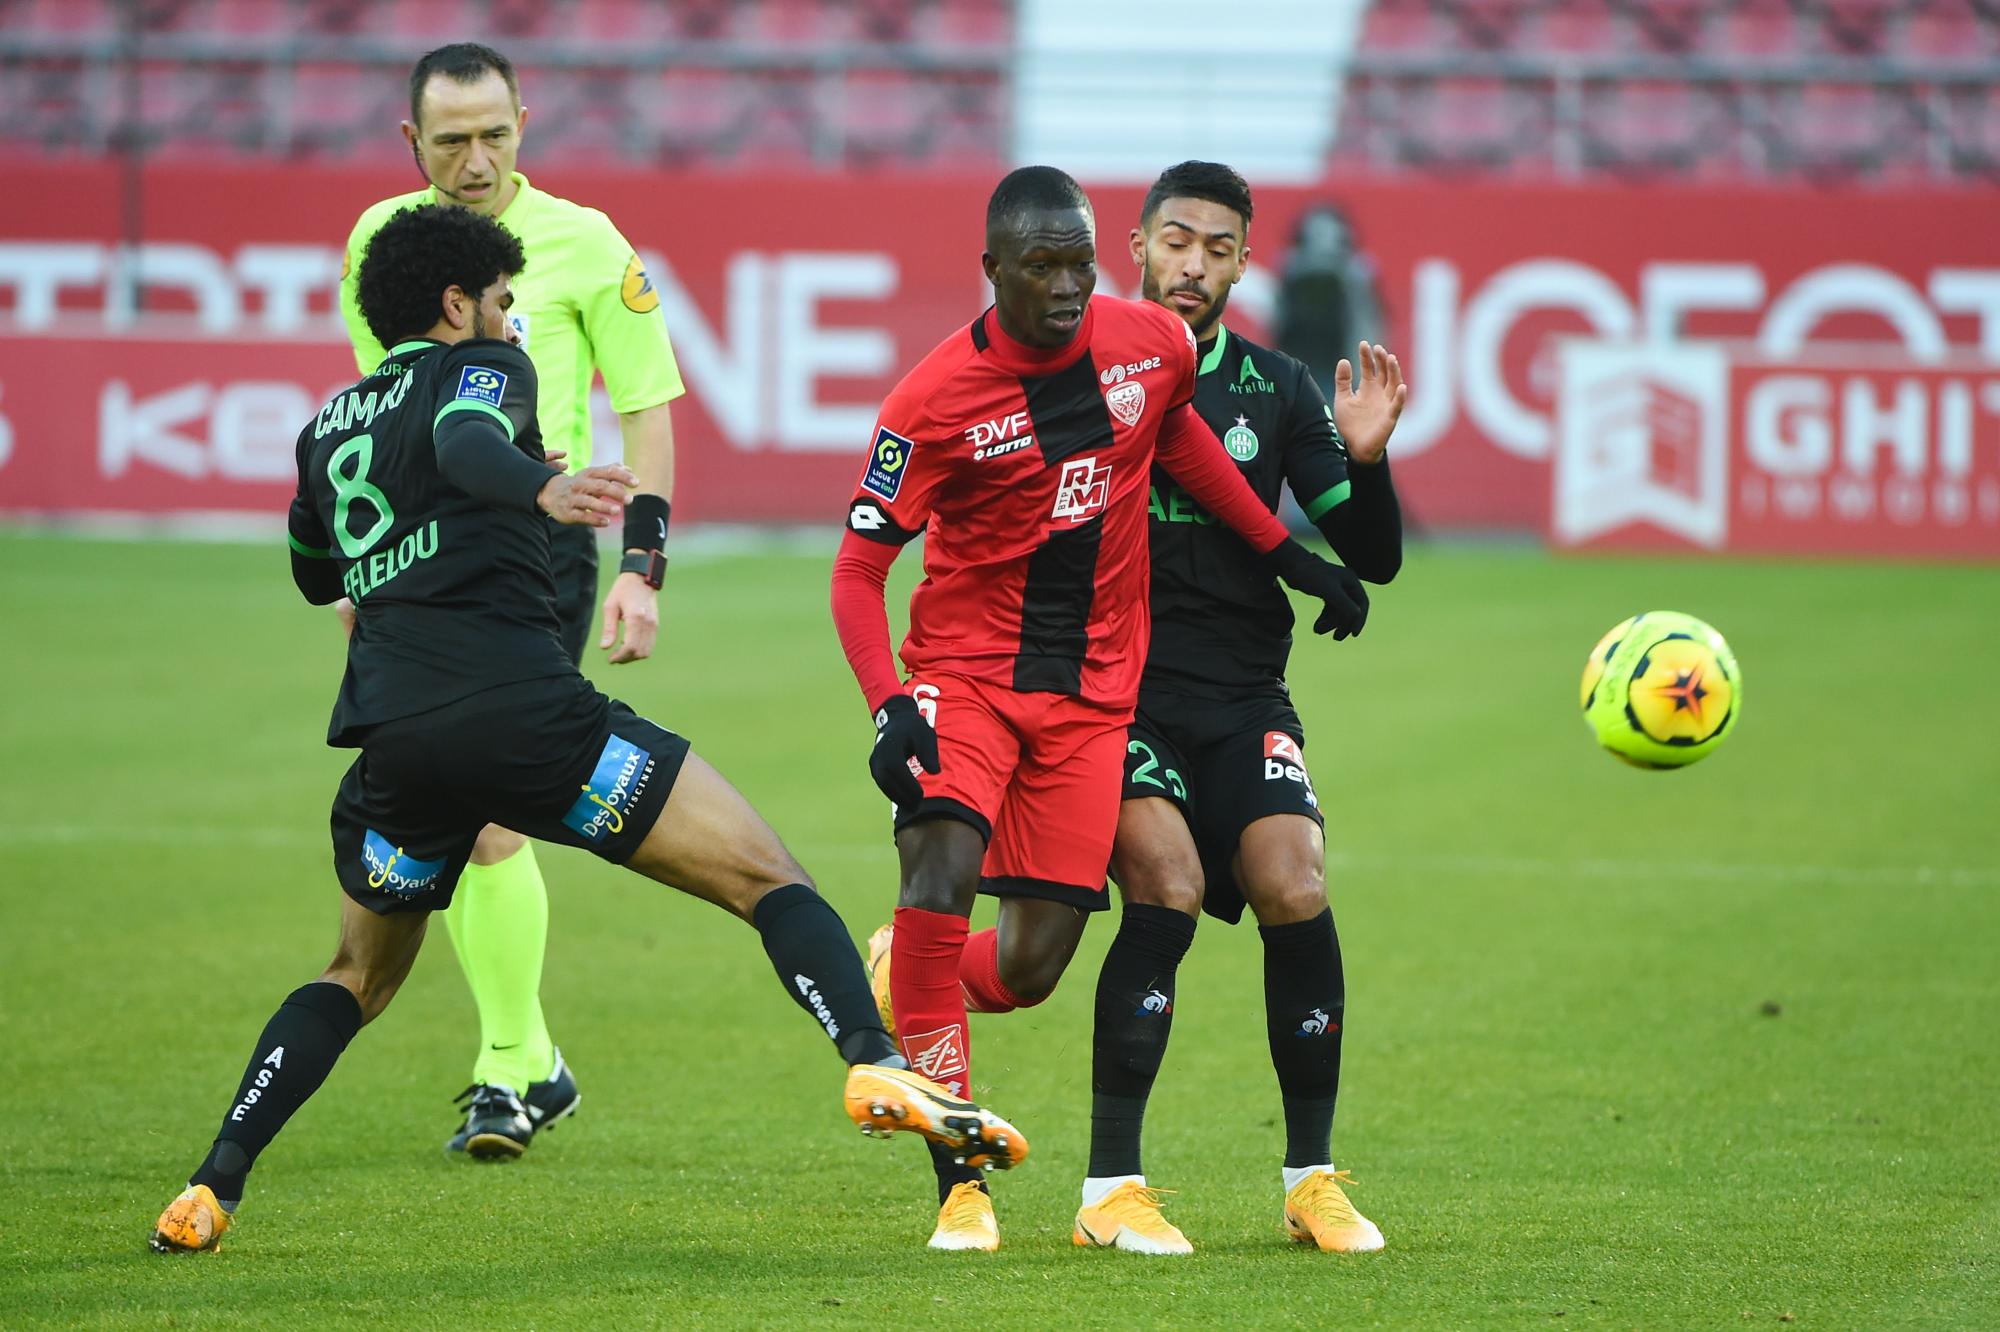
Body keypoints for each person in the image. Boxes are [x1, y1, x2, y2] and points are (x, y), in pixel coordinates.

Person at [148, 203, 1022, 1256]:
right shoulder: (484, 371)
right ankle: (871, 1052)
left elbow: (311, 570)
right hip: (528, 722)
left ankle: (211, 1185)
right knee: (768, 880)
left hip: (397, 750)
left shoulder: (325, 423)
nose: (515, 324)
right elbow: (465, 439)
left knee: (356, 977)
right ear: (455, 304)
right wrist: (542, 482)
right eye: (505, 303)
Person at [829, 165, 1372, 1251]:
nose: (1069, 284)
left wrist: (1287, 556)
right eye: (1042, 266)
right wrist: (890, 704)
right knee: (936, 870)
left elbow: (1178, 443)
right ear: (992, 272)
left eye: (1079, 261)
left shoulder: (1147, 345)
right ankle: (960, 1190)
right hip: (966, 677)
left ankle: (907, 972)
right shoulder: (930, 401)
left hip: (1089, 700)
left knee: (1030, 965)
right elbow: (856, 569)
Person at [336, 43, 685, 1158]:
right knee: (465, 801)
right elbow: (380, 412)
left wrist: (642, 568)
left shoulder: (587, 243)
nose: (476, 159)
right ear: (411, 143)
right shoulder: (379, 248)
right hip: (420, 561)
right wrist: (361, 570)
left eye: (494, 133)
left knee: (480, 806)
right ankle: (530, 1061)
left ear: (524, 120)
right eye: (451, 141)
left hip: (539, 554)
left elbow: (646, 412)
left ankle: (506, 1070)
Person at [1070, 161, 1405, 1257]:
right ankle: (1108, 1189)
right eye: (1176, 241)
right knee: (1164, 884)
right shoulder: (1076, 370)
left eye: (1217, 248)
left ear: (1242, 262)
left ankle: (1310, 1180)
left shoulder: (1275, 387)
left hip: (1241, 690)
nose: (1193, 265)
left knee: (1292, 881)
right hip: (1114, 692)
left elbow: (1372, 555)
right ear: (1135, 244)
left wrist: (1367, 458)